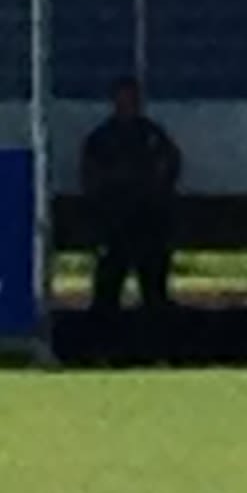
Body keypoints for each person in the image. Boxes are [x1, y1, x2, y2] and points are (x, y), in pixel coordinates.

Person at [80, 77, 184, 354]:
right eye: (122, 99)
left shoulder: (152, 136)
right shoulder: (101, 140)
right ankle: (101, 351)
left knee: (154, 294)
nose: (128, 105)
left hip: (149, 225)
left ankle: (157, 351)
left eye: (133, 99)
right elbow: (90, 179)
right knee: (106, 293)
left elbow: (171, 166)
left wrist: (153, 193)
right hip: (115, 226)